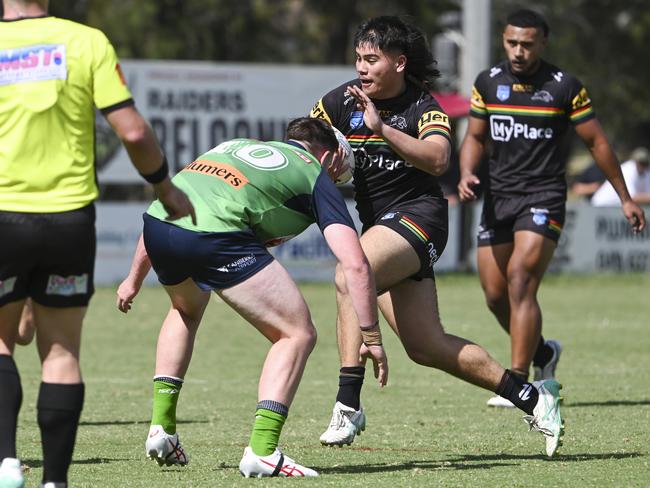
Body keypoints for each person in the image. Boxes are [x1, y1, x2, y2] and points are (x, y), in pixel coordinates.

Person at [310, 15, 565, 458]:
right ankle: (531, 396)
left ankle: (348, 402)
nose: (362, 67)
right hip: (379, 230)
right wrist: (314, 155)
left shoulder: (423, 107)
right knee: (426, 346)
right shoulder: (339, 101)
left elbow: (438, 157)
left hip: (421, 219)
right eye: (358, 58)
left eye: (372, 59)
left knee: (351, 271)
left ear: (399, 63)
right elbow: (301, 141)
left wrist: (382, 130)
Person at [116, 117, 388, 478]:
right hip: (214, 236)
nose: (338, 180)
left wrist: (133, 279)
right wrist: (370, 335)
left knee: (185, 310)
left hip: (157, 227)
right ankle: (262, 451)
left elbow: (172, 200)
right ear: (329, 157)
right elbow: (355, 264)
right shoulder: (314, 174)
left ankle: (161, 429)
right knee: (297, 333)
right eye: (340, 172)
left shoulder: (233, 146)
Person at [0, 1, 195, 487]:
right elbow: (131, 129)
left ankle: (5, 461)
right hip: (69, 219)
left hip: (3, 215)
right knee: (61, 351)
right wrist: (164, 187)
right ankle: (56, 481)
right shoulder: (86, 41)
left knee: (1, 341)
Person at [458, 9, 646, 408]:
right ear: (504, 40)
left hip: (543, 197)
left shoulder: (565, 87)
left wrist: (626, 197)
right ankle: (544, 353)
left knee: (521, 279)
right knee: (494, 295)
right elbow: (474, 137)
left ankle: (520, 380)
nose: (519, 51)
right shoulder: (488, 83)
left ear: (542, 43)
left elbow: (596, 143)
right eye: (512, 42)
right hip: (499, 198)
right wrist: (466, 172)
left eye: (527, 44)